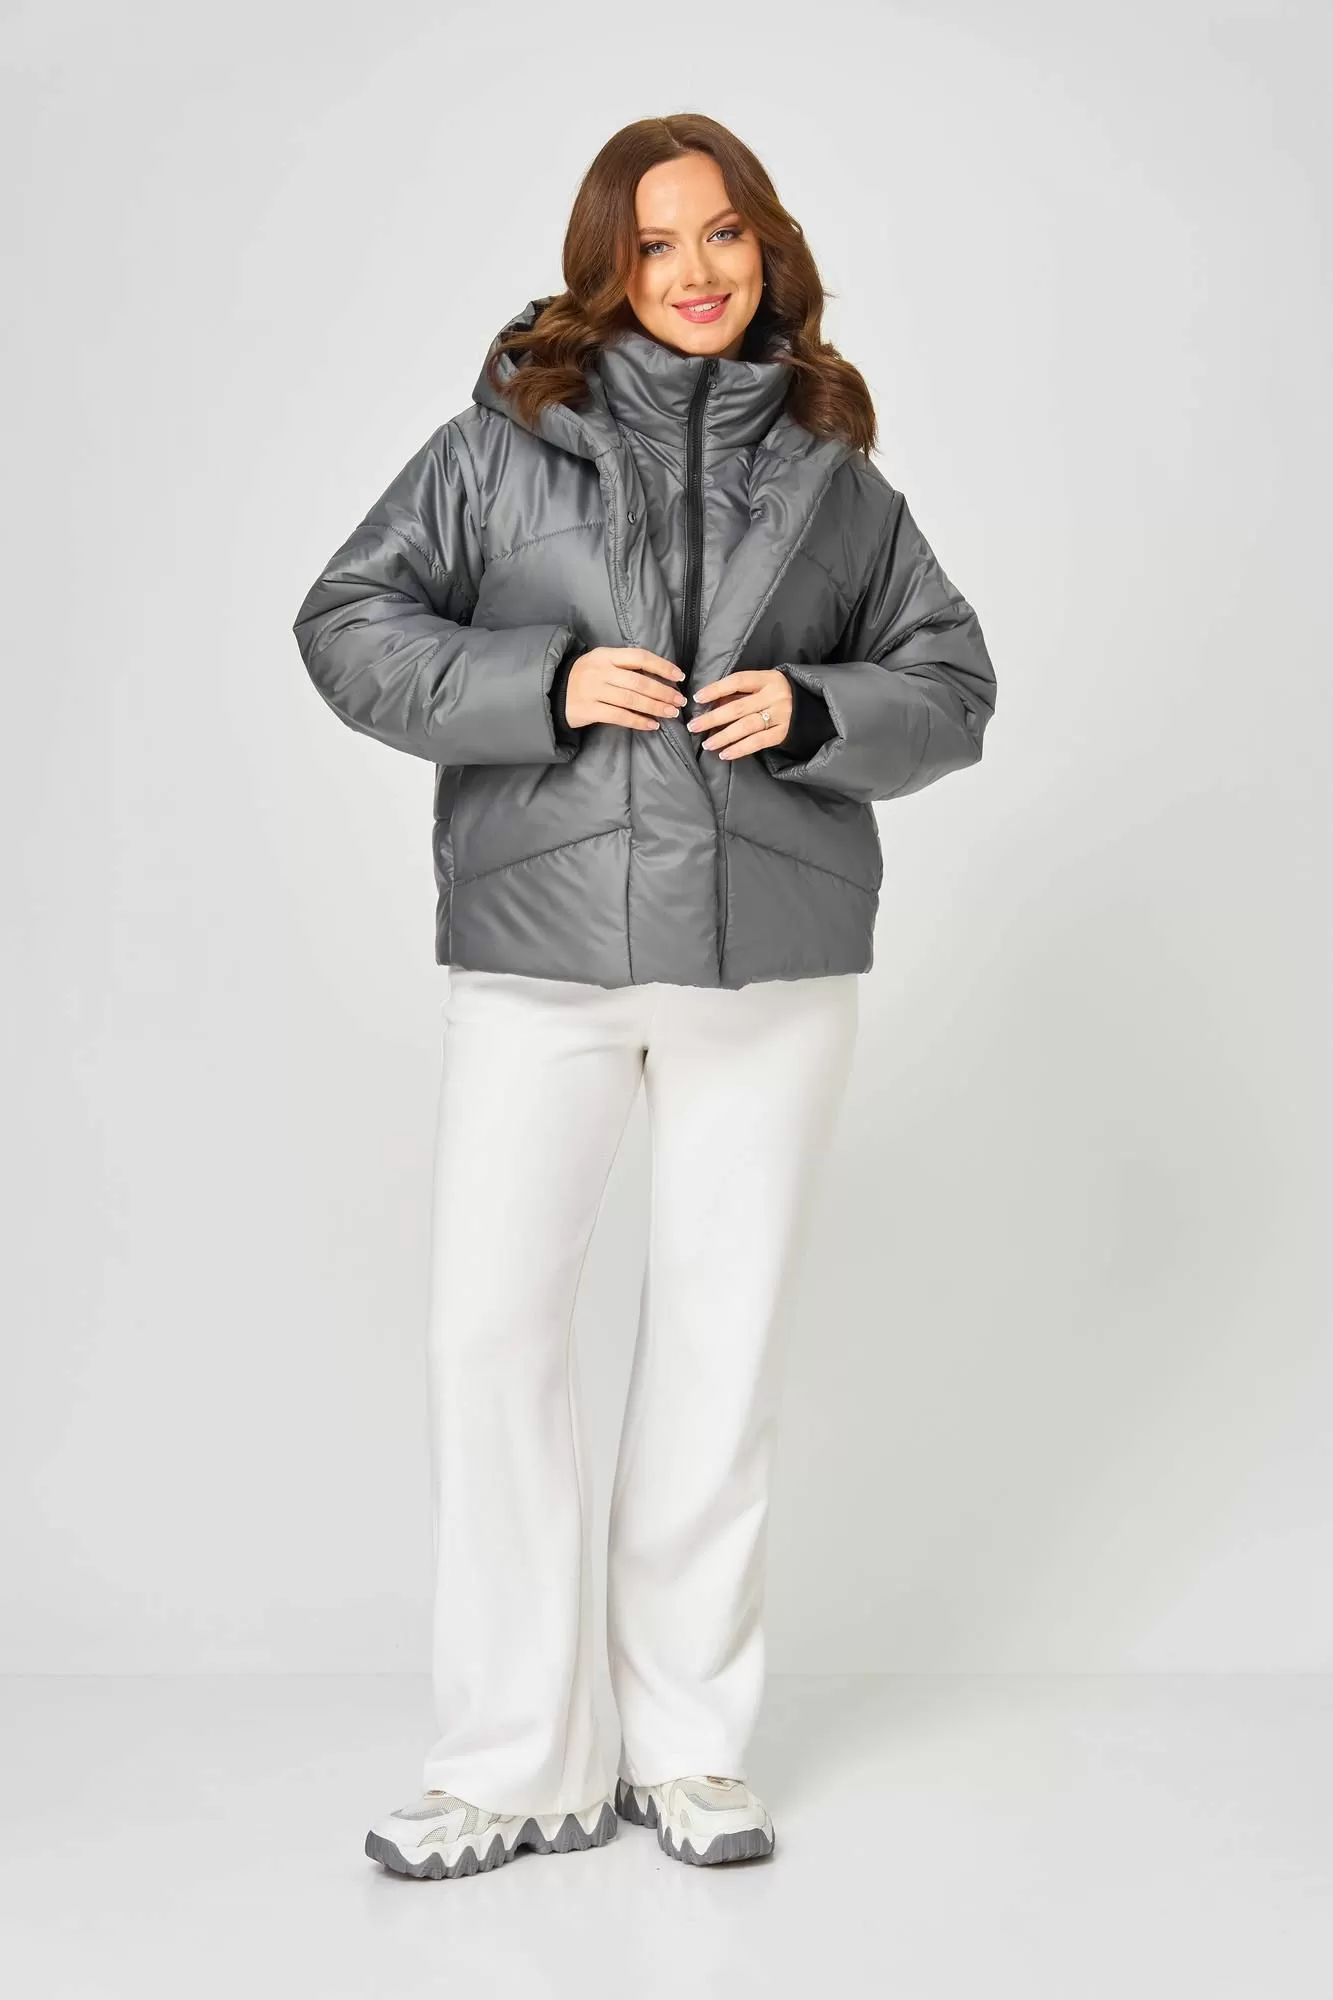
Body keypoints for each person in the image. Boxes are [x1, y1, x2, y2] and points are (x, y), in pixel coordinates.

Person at [291, 112, 997, 1878]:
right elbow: (349, 624)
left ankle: (685, 1747)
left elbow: (954, 681)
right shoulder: (494, 448)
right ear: (605, 263)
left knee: (718, 1349)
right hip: (542, 951)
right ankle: (513, 1763)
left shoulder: (837, 477)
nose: (695, 271)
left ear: (769, 251)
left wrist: (822, 711)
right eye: (657, 241)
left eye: (726, 234)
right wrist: (539, 683)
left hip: (773, 954)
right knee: (491, 1339)